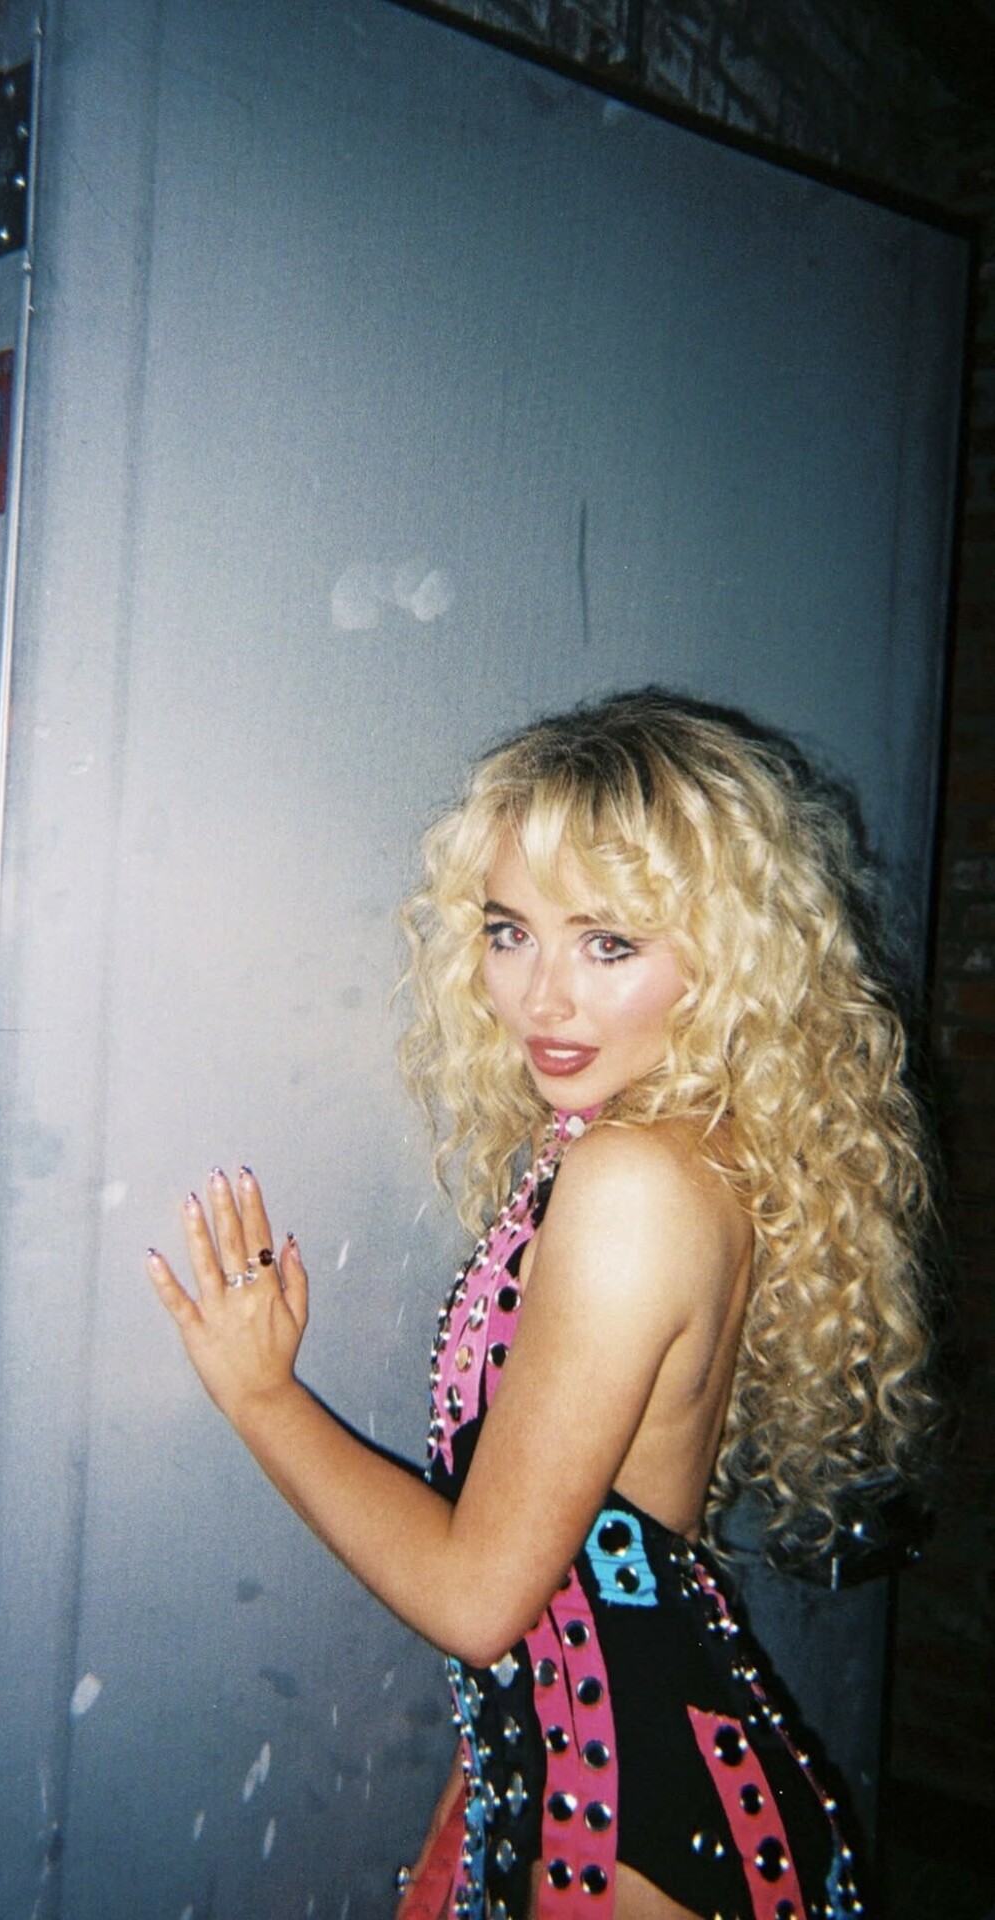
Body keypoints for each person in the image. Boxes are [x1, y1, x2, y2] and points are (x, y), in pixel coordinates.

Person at [147, 689, 932, 1920]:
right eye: (511, 932)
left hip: (629, 1832)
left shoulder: (632, 1182)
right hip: (594, 1790)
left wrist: (263, 1398)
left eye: (608, 944)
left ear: (724, 957)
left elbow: (480, 1602)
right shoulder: (661, 1146)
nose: (542, 998)